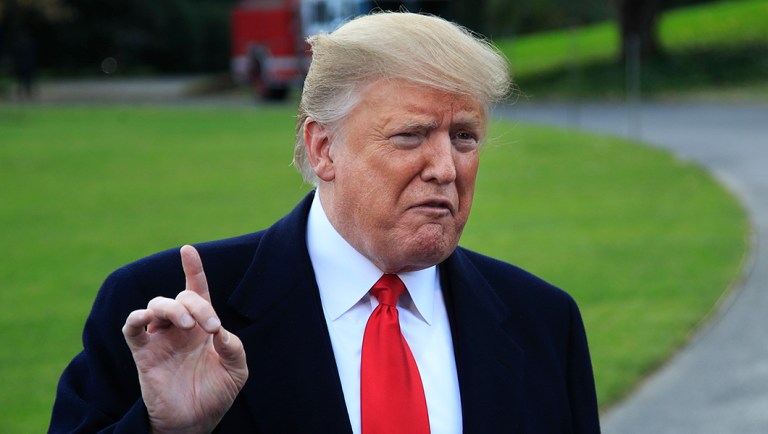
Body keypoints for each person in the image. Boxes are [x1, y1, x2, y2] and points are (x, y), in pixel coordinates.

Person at [49, 12, 600, 434]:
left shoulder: (544, 324)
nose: (445, 168)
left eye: (464, 137)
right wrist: (166, 430)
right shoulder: (161, 311)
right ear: (322, 148)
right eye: (410, 135)